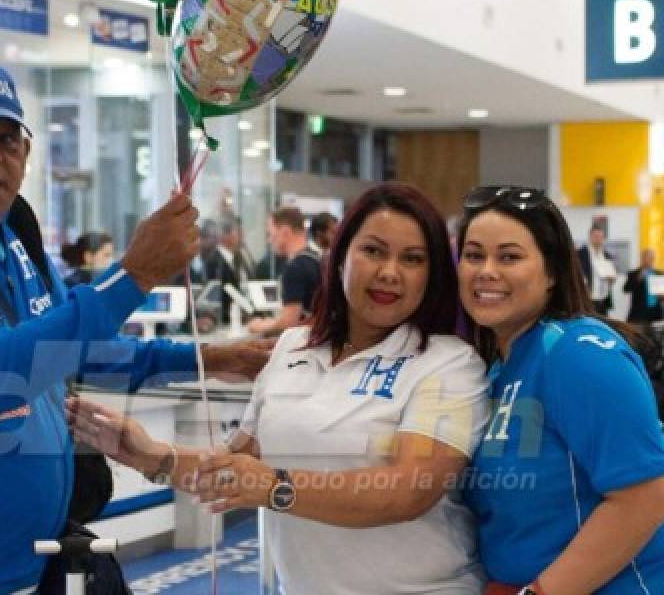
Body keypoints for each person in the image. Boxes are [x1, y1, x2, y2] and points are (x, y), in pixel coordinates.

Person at [0, 58, 270, 595]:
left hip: (24, 567)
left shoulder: (11, 240)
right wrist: (133, 276)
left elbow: (80, 349)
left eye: (4, 140)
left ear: (26, 153)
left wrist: (213, 359)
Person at [69, 183, 490, 595]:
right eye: (373, 250)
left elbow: (406, 492)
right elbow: (238, 467)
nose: (389, 272)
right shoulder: (292, 347)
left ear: (430, 276)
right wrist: (152, 455)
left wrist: (275, 486)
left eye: (412, 259)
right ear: (340, 257)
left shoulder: (449, 363)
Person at [456, 185, 664, 594]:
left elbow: (642, 500)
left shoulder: (580, 354)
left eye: (509, 256)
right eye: (473, 255)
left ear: (552, 272)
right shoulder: (500, 367)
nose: (486, 270)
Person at [247, 206, 322, 336]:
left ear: (285, 232)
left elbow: (288, 322)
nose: (270, 241)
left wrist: (257, 326)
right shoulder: (316, 259)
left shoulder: (295, 268)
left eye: (271, 234)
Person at [576, 224, 618, 316]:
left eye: (601, 237)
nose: (598, 239)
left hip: (603, 300)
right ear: (590, 237)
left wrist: (612, 279)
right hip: (587, 300)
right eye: (596, 236)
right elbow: (575, 275)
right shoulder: (579, 254)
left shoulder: (607, 255)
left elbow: (612, 276)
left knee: (602, 326)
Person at [624, 248, 664, 325]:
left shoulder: (659, 274)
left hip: (655, 312)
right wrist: (638, 279)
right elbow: (626, 289)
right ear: (641, 259)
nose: (649, 261)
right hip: (639, 313)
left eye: (651, 258)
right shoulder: (633, 274)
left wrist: (663, 295)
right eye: (647, 258)